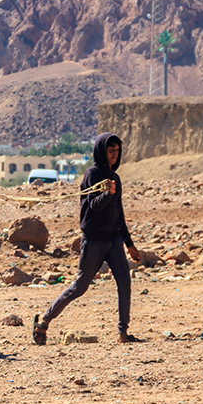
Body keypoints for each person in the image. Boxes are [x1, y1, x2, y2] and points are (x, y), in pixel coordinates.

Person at [32, 133, 143, 345]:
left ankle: (123, 333)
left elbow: (118, 213)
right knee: (80, 286)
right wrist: (108, 193)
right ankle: (44, 320)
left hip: (114, 240)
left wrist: (129, 244)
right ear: (102, 151)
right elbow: (93, 206)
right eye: (110, 150)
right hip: (94, 240)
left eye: (117, 151)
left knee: (124, 283)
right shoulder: (92, 174)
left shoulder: (115, 178)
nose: (114, 154)